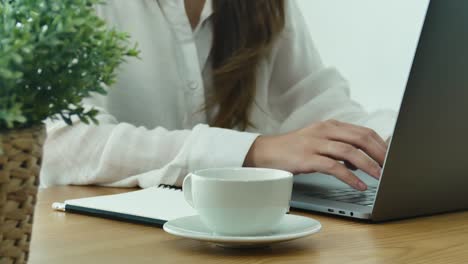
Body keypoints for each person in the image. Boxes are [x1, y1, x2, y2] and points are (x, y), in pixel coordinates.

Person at [41, 0, 396, 191]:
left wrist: (404, 138)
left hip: (230, 238)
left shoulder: (264, 6)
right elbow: (61, 143)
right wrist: (254, 151)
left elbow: (321, 109)